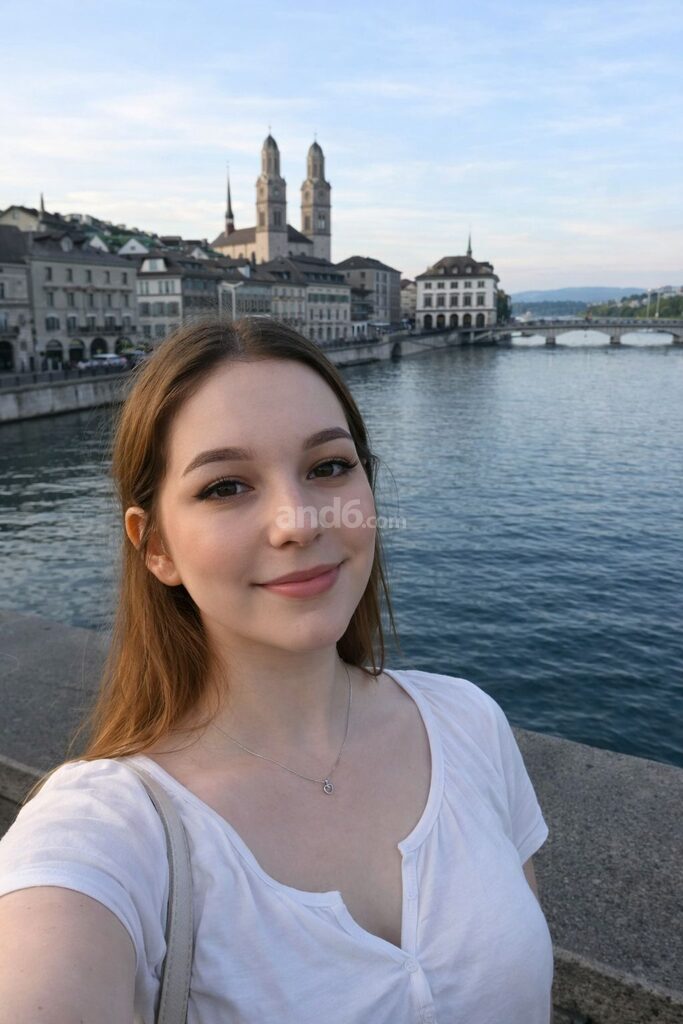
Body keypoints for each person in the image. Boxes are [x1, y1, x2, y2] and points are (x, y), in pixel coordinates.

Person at [0, 316, 554, 1023]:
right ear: (156, 546)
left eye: (328, 468)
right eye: (226, 486)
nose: (299, 522)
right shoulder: (106, 831)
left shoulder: (469, 722)